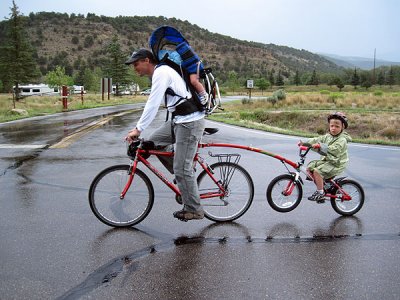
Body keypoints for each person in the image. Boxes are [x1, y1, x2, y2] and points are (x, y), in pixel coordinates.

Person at [124, 49, 206, 221]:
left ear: (147, 60)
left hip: (189, 122)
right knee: (151, 144)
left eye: (136, 64)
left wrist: (138, 129)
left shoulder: (161, 72)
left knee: (181, 168)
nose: (134, 68)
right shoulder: (159, 73)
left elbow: (152, 104)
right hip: (178, 121)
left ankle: (194, 209)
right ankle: (183, 174)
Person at [299, 112, 352, 202]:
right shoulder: (328, 136)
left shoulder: (342, 140)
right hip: (329, 160)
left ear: (342, 127)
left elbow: (335, 149)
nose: (334, 128)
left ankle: (320, 193)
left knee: (317, 172)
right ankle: (325, 186)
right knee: (310, 167)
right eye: (332, 126)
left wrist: (321, 146)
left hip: (337, 163)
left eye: (337, 126)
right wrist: (304, 142)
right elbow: (316, 139)